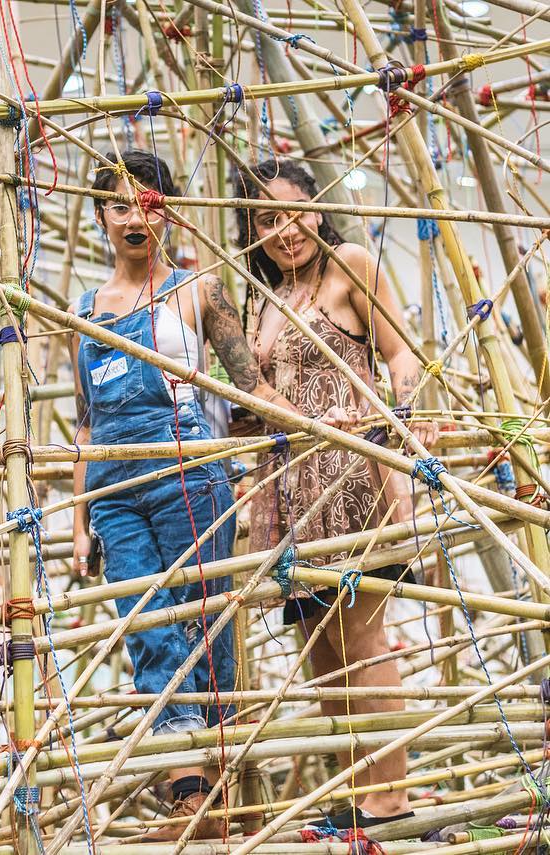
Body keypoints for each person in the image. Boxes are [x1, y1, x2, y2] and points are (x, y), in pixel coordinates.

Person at [70, 149, 314, 841]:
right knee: (144, 618)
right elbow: (86, 422)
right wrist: (82, 517)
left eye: (149, 202)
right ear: (100, 216)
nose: (134, 215)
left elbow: (247, 383)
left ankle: (213, 787)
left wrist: (317, 424)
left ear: (167, 212)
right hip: (116, 485)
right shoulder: (85, 310)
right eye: (119, 204)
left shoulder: (197, 289)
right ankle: (187, 787)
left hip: (189, 473)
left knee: (204, 620)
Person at [234, 158, 439, 829]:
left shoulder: (349, 264)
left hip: (351, 482)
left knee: (362, 638)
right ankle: (357, 793)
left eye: (294, 214)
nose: (284, 230)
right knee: (322, 655)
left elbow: (403, 353)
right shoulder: (264, 298)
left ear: (316, 212)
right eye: (267, 221)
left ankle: (391, 799)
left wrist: (395, 407)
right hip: (289, 495)